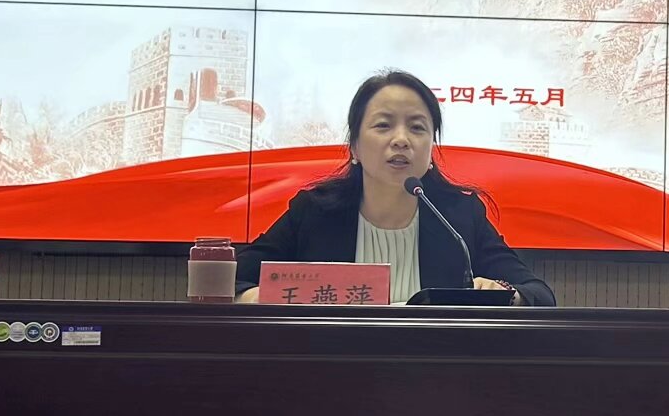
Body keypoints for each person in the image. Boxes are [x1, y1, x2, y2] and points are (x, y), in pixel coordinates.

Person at [235, 70, 554, 306]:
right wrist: (261, 298)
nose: (401, 139)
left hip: (434, 370)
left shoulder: (458, 216)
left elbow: (539, 294)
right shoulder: (315, 212)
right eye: (383, 125)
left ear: (431, 149)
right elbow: (234, 280)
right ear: (355, 147)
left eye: (417, 127)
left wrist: (506, 295)